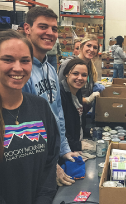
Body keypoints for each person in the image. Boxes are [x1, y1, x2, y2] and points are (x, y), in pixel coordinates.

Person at [0, 30, 60, 204]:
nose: (18, 68)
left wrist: (43, 198)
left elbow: (50, 161)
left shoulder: (40, 106)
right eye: (8, 59)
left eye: (25, 60)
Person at [22, 6, 78, 187]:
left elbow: (58, 113)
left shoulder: (51, 69)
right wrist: (49, 165)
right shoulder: (21, 73)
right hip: (31, 160)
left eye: (54, 29)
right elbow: (24, 127)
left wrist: (64, 150)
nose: (50, 33)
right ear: (27, 29)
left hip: (51, 153)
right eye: (43, 27)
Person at [58, 34, 100, 106]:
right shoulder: (68, 64)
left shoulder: (89, 65)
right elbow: (60, 91)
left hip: (82, 109)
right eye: (88, 45)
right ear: (81, 46)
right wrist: (87, 99)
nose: (92, 49)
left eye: (95, 47)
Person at [60, 58, 92, 151]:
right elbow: (59, 129)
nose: (80, 78)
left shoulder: (77, 91)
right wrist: (76, 145)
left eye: (84, 75)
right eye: (75, 73)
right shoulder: (60, 95)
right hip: (68, 150)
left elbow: (76, 123)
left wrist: (87, 131)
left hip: (77, 142)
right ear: (66, 74)